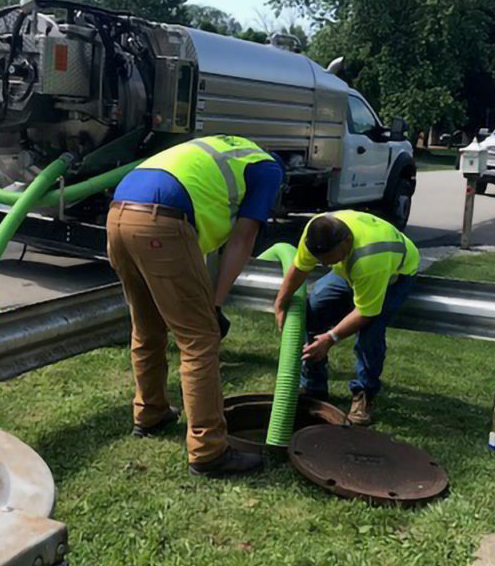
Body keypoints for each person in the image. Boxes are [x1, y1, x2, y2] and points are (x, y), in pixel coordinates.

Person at [107, 135, 284, 478]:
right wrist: (214, 305)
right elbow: (243, 238)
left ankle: (150, 412)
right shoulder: (268, 170)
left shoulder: (227, 150)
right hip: (161, 220)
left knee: (147, 326)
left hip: (118, 214)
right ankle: (208, 451)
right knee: (200, 339)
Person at [273, 211, 419, 425]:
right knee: (313, 309)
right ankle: (314, 386)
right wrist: (280, 303)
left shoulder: (370, 258)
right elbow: (299, 268)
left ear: (346, 242)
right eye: (320, 260)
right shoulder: (315, 232)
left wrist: (330, 338)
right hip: (350, 268)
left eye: (327, 259)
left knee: (370, 333)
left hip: (394, 274)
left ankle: (364, 394)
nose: (324, 265)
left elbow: (366, 312)